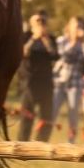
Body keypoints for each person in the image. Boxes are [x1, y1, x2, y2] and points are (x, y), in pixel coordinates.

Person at [17, 12, 59, 142]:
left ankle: (42, 142)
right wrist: (34, 38)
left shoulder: (51, 38)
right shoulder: (25, 36)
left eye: (43, 21)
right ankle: (23, 142)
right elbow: (22, 53)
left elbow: (55, 55)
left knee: (46, 115)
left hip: (46, 81)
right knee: (27, 114)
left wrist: (45, 40)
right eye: (37, 21)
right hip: (29, 81)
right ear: (31, 23)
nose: (40, 24)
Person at [52, 16, 84, 142]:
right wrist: (74, 42)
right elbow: (64, 56)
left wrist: (83, 43)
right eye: (75, 26)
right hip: (59, 82)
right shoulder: (62, 40)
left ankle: (71, 142)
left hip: (76, 83)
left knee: (73, 114)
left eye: (80, 26)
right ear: (69, 26)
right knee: (52, 111)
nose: (78, 29)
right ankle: (43, 139)